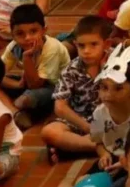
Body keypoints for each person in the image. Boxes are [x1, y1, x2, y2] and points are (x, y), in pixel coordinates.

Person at [13, 44, 130, 187]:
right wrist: (101, 154)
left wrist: (128, 162)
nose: (108, 95)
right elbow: (98, 140)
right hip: (111, 157)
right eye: (104, 88)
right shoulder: (101, 112)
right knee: (83, 182)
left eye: (118, 88)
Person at [41, 15, 110, 163]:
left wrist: (106, 71)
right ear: (75, 44)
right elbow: (60, 108)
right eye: (81, 46)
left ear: (106, 44)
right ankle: (99, 146)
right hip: (81, 121)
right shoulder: (71, 70)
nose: (87, 51)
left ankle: (70, 149)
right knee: (50, 132)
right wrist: (87, 127)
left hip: (110, 120)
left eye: (93, 44)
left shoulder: (116, 63)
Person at [0, 4, 70, 130]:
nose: (27, 38)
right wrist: (17, 85)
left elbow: (36, 85)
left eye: (33, 31)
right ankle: (16, 113)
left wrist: (27, 57)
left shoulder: (51, 48)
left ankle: (18, 110)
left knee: (24, 100)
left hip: (55, 87)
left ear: (44, 30)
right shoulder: (14, 46)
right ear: (13, 35)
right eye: (20, 33)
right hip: (30, 82)